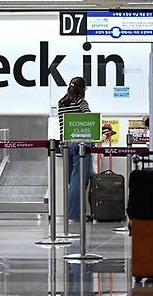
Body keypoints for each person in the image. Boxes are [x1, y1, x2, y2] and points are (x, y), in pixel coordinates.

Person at [58, 76, 94, 221]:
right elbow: (89, 119)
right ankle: (75, 215)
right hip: (80, 144)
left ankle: (74, 212)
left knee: (72, 181)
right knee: (79, 181)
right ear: (82, 89)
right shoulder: (81, 102)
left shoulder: (62, 103)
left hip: (65, 145)